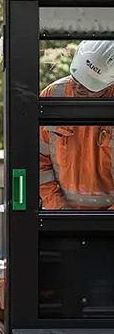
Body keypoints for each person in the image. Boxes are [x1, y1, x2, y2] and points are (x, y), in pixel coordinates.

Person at [40, 40, 114, 209]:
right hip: (62, 217)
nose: (79, 87)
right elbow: (37, 160)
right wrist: (58, 208)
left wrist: (108, 220)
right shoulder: (52, 96)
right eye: (76, 79)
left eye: (89, 85)